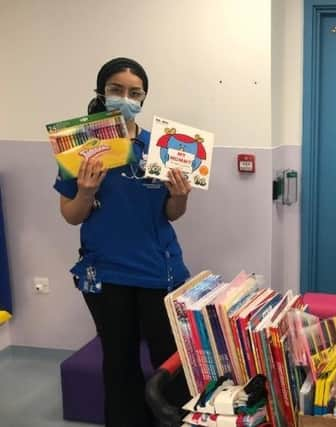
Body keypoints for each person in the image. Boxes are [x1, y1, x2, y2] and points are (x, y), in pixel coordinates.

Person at [54, 57, 192, 427]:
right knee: (118, 363)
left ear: (144, 99)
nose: (125, 98)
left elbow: (172, 213)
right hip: (106, 274)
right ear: (102, 92)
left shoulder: (161, 148)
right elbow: (71, 215)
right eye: (116, 90)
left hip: (159, 272)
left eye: (135, 92)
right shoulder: (80, 149)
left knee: (170, 364)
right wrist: (85, 190)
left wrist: (180, 195)